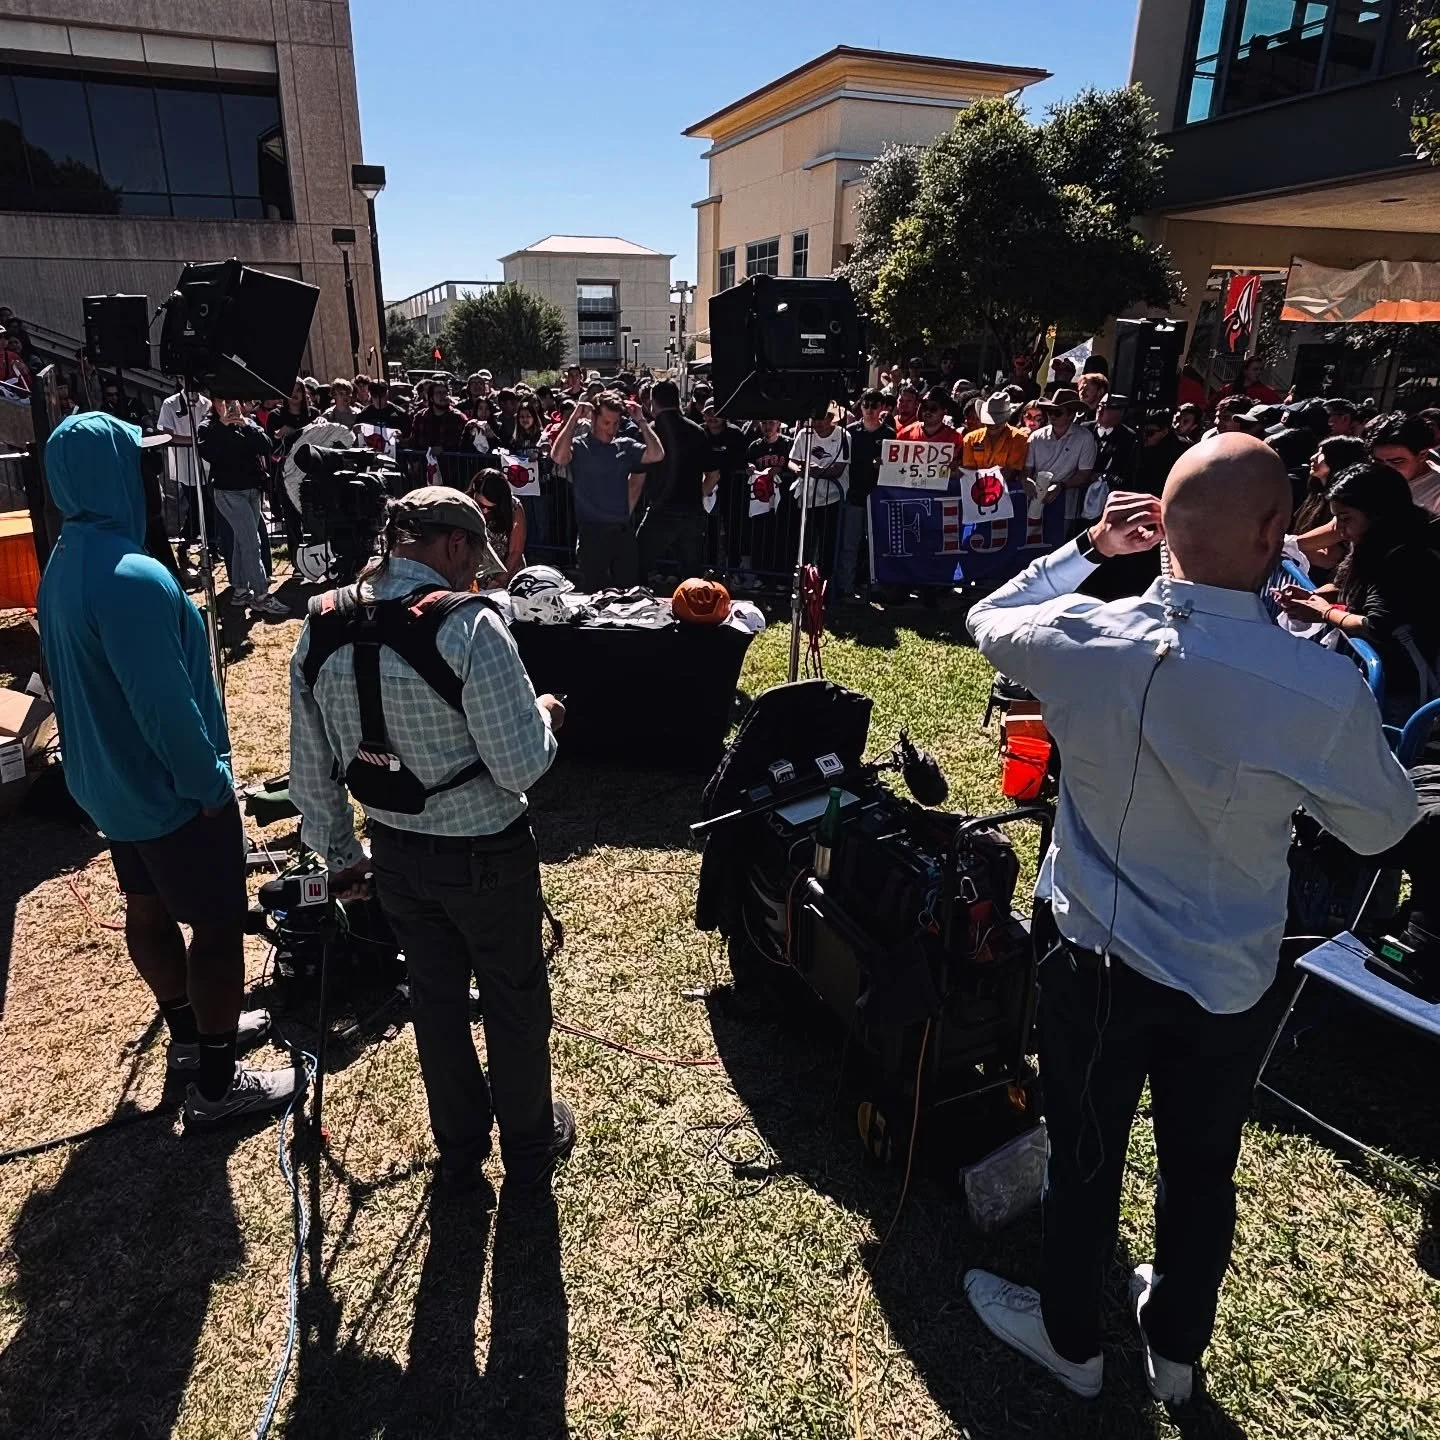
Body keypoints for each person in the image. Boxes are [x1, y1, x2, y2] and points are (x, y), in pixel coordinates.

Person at [963, 437, 1417, 1404]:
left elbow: (986, 616)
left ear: (1158, 530)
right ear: (1273, 532)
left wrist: (1087, 547)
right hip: (1227, 972)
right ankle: (1173, 1354)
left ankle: (1072, 1343)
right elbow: (1380, 826)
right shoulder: (1316, 682)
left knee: (1083, 1157)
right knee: (1202, 1169)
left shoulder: (1086, 634)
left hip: (1089, 952)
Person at [289, 486, 573, 1198]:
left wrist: (339, 854)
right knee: (513, 998)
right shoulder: (470, 624)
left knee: (436, 999)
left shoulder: (321, 622)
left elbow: (310, 765)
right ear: (453, 545)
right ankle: (531, 1146)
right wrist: (546, 713)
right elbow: (520, 765)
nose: (477, 574)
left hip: (395, 853)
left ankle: (460, 1144)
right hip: (485, 852)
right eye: (476, 557)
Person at [39, 413, 300, 1124]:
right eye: (140, 463)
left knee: (147, 909)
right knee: (215, 927)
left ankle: (188, 1037)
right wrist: (209, 785)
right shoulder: (132, 577)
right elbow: (164, 707)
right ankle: (218, 1083)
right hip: (168, 792)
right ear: (112, 473)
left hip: (108, 789)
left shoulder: (63, 562)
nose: (153, 479)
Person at [1279, 461, 1440, 724]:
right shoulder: (1369, 541)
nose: (1338, 530)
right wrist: (1314, 596)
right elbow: (1344, 584)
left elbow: (1376, 624)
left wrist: (1324, 613)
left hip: (1396, 688)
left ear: (1378, 514)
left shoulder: (1407, 556)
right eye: (1336, 519)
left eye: (1345, 519)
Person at [550, 392, 663, 591]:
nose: (611, 429)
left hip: (622, 532)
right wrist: (574, 419)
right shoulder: (580, 446)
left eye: (615, 423)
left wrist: (642, 421)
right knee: (593, 594)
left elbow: (657, 454)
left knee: (628, 594)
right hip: (591, 533)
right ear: (593, 418)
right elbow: (558, 457)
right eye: (606, 423)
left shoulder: (625, 445)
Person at [197, 400, 288, 616]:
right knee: (251, 541)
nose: (229, 407)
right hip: (228, 492)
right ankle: (261, 595)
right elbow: (211, 453)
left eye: (232, 402)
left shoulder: (247, 423)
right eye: (223, 402)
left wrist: (245, 425)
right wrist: (224, 426)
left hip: (251, 489)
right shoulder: (207, 427)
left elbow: (266, 446)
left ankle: (239, 589)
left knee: (242, 540)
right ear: (214, 404)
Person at [637, 380, 716, 581]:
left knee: (636, 564)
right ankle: (694, 609)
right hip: (691, 510)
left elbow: (638, 476)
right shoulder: (698, 431)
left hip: (661, 509)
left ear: (653, 403)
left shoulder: (650, 432)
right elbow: (713, 475)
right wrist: (698, 495)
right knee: (692, 575)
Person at [839, 390, 895, 597]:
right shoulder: (850, 432)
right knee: (850, 544)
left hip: (879, 498)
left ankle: (877, 586)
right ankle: (846, 585)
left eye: (874, 405)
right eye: (866, 405)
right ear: (860, 407)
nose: (870, 410)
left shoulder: (890, 434)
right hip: (854, 495)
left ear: (882, 407)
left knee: (877, 544)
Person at [1028, 388, 1098, 536]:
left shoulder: (1085, 438)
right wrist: (1026, 481)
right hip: (1034, 500)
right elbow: (1026, 470)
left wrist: (1061, 486)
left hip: (1066, 505)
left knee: (1058, 546)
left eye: (1058, 412)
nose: (1052, 416)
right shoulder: (1036, 437)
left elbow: (1084, 474)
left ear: (1071, 415)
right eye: (1049, 412)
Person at [789, 405, 851, 572]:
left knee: (828, 545)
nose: (818, 423)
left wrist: (815, 471)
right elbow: (792, 460)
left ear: (831, 418)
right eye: (815, 419)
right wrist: (799, 471)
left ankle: (826, 582)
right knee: (805, 544)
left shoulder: (844, 436)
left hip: (832, 499)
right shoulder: (804, 434)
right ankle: (804, 580)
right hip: (807, 498)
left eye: (822, 418)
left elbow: (839, 469)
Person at [158, 382, 214, 559]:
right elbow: (167, 435)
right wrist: (194, 441)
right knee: (197, 505)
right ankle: (187, 541)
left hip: (208, 464)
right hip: (186, 465)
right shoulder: (170, 403)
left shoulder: (207, 403)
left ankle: (206, 543)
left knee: (207, 506)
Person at [745, 418, 792, 577]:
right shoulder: (755, 446)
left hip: (784, 501)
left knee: (783, 537)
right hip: (761, 501)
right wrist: (749, 468)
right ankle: (760, 575)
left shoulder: (788, 444)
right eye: (764, 423)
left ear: (779, 424)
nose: (768, 427)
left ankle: (780, 577)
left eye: (771, 423)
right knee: (760, 536)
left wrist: (781, 469)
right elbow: (746, 464)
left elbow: (794, 465)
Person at [1369, 413, 1440, 515]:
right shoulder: (1371, 477)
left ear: (1422, 455)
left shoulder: (1437, 493)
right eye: (1378, 462)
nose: (1385, 469)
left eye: (1396, 461)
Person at [961, 392, 1030, 479]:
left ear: (1006, 419)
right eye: (989, 422)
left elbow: (1011, 472)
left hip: (1005, 489)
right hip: (974, 487)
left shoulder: (1020, 438)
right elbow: (968, 470)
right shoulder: (970, 438)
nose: (993, 425)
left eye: (998, 422)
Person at [1134, 409, 1189, 497]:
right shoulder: (1136, 444)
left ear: (1164, 431)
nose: (1144, 437)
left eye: (1150, 433)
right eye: (1141, 432)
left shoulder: (1181, 449)